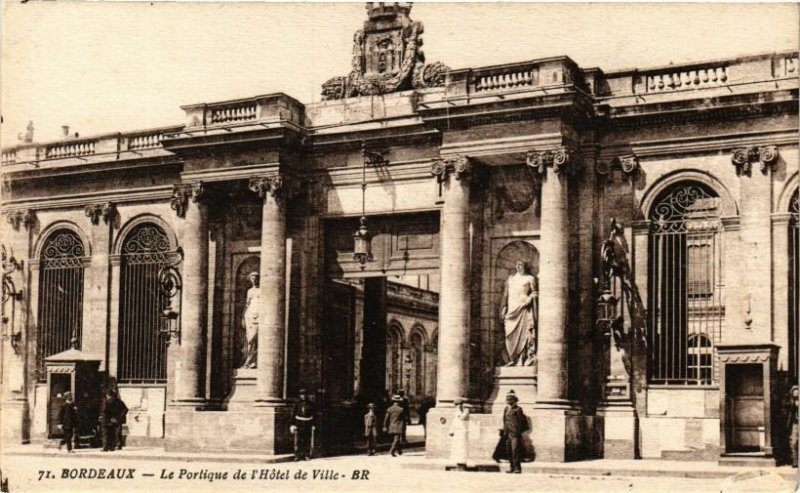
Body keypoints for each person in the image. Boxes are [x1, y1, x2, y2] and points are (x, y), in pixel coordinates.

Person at [500, 260, 538, 366]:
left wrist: (529, 299)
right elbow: (505, 296)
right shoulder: (511, 279)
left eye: (520, 264)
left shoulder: (530, 278)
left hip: (523, 308)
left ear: (525, 266)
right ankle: (512, 358)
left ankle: (521, 359)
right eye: (517, 264)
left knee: (524, 334)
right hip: (511, 310)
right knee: (509, 334)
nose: (518, 266)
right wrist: (502, 308)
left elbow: (535, 292)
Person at [497, 390, 528, 474]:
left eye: (509, 399)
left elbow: (522, 421)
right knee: (509, 451)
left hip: (515, 434)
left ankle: (517, 468)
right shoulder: (506, 409)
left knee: (515, 450)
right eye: (507, 399)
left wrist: (518, 430)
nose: (507, 400)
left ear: (514, 400)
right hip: (507, 433)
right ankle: (512, 468)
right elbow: (504, 420)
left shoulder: (518, 409)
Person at [241, 272, 260, 368]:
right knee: (249, 339)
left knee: (255, 338)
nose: (254, 280)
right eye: (252, 278)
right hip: (250, 315)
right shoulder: (249, 291)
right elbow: (247, 304)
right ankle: (248, 361)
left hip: (259, 315)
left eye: (255, 278)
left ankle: (253, 361)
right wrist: (243, 317)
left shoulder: (262, 290)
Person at [291, 389, 316, 461]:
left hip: (308, 423)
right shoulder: (297, 403)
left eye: (305, 394)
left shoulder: (310, 404)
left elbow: (313, 415)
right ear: (300, 395)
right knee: (298, 439)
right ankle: (297, 455)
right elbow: (293, 414)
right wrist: (292, 424)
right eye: (302, 395)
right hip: (299, 423)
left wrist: (313, 424)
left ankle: (306, 455)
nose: (303, 396)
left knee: (307, 439)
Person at [448, 398, 471, 470]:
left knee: (462, 448)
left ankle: (462, 464)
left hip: (463, 432)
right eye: (456, 405)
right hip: (457, 432)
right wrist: (451, 430)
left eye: (458, 405)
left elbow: (462, 417)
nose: (457, 406)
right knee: (456, 448)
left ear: (461, 405)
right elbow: (454, 421)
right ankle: (458, 464)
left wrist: (458, 412)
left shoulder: (466, 411)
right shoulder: (456, 412)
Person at [789, 385, 798, 468]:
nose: (796, 393)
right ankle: (795, 461)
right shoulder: (791, 402)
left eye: (797, 391)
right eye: (794, 391)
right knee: (794, 442)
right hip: (795, 424)